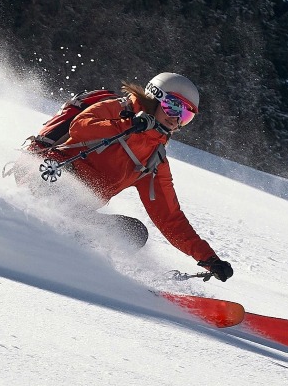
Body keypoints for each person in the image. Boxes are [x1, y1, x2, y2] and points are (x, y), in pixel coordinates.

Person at [15, 72, 234, 281]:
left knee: (134, 233)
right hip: (46, 174)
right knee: (66, 190)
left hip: (74, 211)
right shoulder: (119, 109)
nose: (176, 118)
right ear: (155, 96)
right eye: (173, 106)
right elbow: (80, 127)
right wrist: (129, 125)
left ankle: (74, 263)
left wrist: (208, 258)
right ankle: (43, 240)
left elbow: (170, 219)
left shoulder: (153, 160)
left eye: (186, 115)